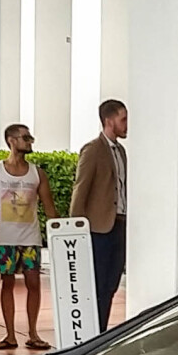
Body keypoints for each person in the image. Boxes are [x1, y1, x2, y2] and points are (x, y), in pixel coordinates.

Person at [0, 124, 56, 350]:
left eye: (30, 137)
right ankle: (10, 335)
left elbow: (49, 207)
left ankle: (33, 333)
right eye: (25, 138)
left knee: (34, 283)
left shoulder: (37, 173)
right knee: (7, 283)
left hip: (30, 238)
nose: (30, 141)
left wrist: (60, 233)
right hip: (3, 238)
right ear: (11, 140)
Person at [71, 97, 128, 330]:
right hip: (98, 228)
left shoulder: (121, 152)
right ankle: (94, 331)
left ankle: (100, 330)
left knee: (111, 284)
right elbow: (80, 188)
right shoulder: (93, 150)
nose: (126, 124)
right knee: (97, 285)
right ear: (108, 120)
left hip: (119, 224)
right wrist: (76, 229)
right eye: (122, 119)